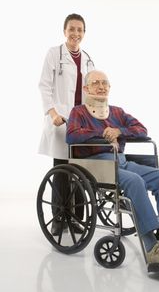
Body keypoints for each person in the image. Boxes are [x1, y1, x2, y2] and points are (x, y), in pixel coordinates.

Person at [66, 70, 159, 268]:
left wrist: (119, 131)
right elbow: (72, 136)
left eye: (104, 83)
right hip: (97, 164)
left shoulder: (117, 112)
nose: (101, 87)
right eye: (95, 83)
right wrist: (102, 133)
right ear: (86, 88)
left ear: (109, 87)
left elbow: (142, 130)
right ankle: (152, 247)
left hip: (123, 161)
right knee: (135, 181)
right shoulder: (79, 112)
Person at [38, 13, 95, 236]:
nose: (76, 33)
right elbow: (44, 86)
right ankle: (59, 218)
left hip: (81, 123)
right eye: (72, 29)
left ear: (84, 33)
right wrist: (52, 113)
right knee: (62, 171)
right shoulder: (54, 54)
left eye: (80, 30)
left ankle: (77, 219)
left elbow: (92, 90)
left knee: (80, 171)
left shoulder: (89, 59)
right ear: (64, 31)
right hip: (61, 121)